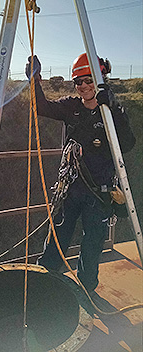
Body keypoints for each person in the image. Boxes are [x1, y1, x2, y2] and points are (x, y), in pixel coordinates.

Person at [25, 53, 136, 293]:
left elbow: (127, 144)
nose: (84, 86)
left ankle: (87, 290)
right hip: (71, 190)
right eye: (79, 82)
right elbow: (40, 107)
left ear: (100, 79)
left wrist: (113, 109)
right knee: (57, 238)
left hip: (99, 192)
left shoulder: (112, 112)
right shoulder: (71, 107)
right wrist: (34, 79)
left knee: (92, 243)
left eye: (89, 80)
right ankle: (45, 282)